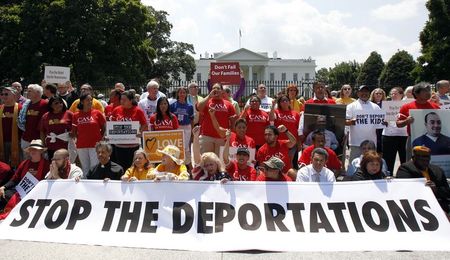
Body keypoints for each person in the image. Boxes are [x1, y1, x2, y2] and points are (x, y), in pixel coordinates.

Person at [0, 140, 50, 214]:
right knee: (5, 193)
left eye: (35, 149)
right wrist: (3, 187)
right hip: (21, 192)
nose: (33, 151)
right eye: (31, 149)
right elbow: (15, 179)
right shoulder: (24, 163)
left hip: (38, 193)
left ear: (41, 151)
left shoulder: (47, 165)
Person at [396, 146, 450, 213]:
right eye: (422, 160)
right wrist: (424, 188)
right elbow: (403, 188)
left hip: (438, 205)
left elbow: (447, 191)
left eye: (427, 160)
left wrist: (435, 189)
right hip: (416, 205)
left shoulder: (437, 170)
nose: (425, 162)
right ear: (414, 158)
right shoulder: (405, 169)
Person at [397, 82, 440, 160]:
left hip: (434, 139)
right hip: (413, 139)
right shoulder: (406, 107)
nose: (428, 93)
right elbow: (398, 124)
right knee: (412, 162)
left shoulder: (436, 107)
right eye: (425, 91)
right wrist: (406, 121)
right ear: (416, 94)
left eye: (429, 90)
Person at [110, 90, 148, 170]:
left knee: (133, 167)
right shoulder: (116, 110)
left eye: (124, 100)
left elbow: (144, 124)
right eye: (121, 99)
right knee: (121, 167)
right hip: (119, 145)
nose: (122, 101)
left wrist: (140, 132)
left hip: (133, 145)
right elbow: (112, 125)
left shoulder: (138, 111)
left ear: (131, 100)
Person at [72, 93, 106, 175]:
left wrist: (100, 138)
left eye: (91, 100)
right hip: (81, 145)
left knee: (94, 166)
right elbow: (74, 131)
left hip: (95, 145)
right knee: (85, 167)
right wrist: (79, 139)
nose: (90, 102)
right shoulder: (76, 115)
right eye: (87, 100)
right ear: (82, 102)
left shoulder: (97, 113)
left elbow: (104, 128)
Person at [346, 85, 382, 162]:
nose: (364, 93)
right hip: (356, 142)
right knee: (354, 165)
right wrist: (350, 122)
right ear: (358, 93)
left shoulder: (376, 107)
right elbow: (345, 121)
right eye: (362, 91)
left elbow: (381, 121)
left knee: (371, 163)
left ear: (369, 93)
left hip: (371, 143)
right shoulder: (351, 106)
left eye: (366, 92)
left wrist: (385, 123)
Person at [196, 83, 236, 154]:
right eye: (214, 88)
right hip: (206, 136)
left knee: (220, 162)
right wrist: (209, 96)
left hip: (222, 137)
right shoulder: (207, 101)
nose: (216, 90)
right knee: (206, 161)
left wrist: (231, 136)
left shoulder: (228, 104)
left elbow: (233, 121)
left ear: (222, 91)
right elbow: (199, 108)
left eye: (218, 88)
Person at [382, 87, 408, 174]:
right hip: (389, 135)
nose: (393, 95)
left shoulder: (407, 105)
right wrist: (383, 120)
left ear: (401, 95)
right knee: (388, 158)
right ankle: (388, 174)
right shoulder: (385, 105)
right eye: (391, 93)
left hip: (404, 135)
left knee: (405, 158)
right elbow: (380, 118)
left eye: (395, 93)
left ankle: (405, 174)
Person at [19, 84, 49, 159]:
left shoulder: (45, 104)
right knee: (26, 161)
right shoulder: (27, 104)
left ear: (38, 93)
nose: (27, 93)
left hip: (38, 140)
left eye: (30, 91)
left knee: (38, 160)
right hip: (26, 138)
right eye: (27, 91)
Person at [271, 94, 301, 167]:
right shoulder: (276, 112)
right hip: (279, 143)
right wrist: (272, 106)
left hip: (292, 142)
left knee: (290, 163)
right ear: (279, 103)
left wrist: (299, 143)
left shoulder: (296, 114)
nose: (284, 102)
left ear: (289, 102)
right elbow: (271, 118)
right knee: (279, 163)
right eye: (282, 101)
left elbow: (299, 129)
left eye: (286, 100)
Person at [170, 87, 194, 167]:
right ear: (177, 94)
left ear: (186, 94)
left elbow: (192, 119)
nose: (182, 94)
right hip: (177, 128)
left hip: (187, 127)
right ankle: (177, 165)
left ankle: (189, 166)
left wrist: (192, 132)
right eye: (180, 93)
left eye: (184, 93)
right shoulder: (173, 105)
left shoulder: (190, 106)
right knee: (177, 147)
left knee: (186, 148)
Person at [0, 86, 22, 168]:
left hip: (17, 141)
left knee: (17, 163)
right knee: (3, 163)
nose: (3, 96)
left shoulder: (20, 108)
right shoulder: (0, 108)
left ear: (14, 95)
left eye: (6, 94)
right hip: (2, 141)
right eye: (2, 94)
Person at [369, 88, 386, 153]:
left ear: (383, 95)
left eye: (380, 93)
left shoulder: (386, 104)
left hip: (382, 128)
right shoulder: (369, 104)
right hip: (371, 127)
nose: (378, 95)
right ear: (373, 94)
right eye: (376, 93)